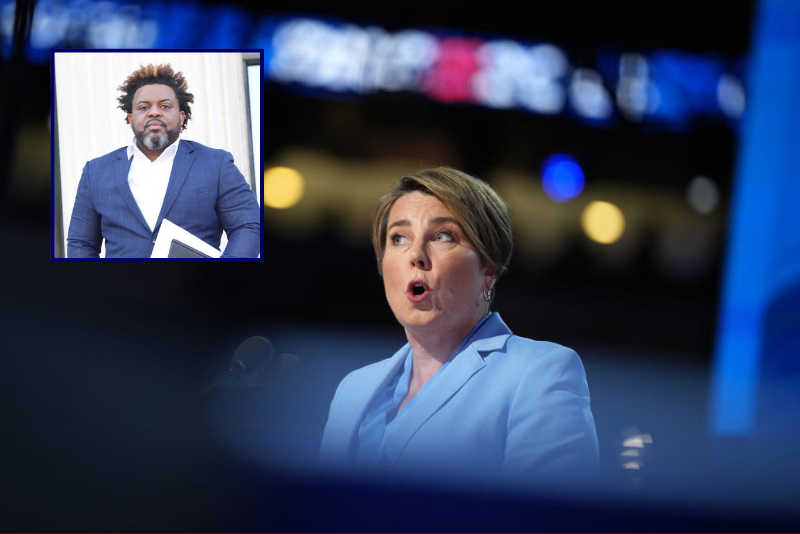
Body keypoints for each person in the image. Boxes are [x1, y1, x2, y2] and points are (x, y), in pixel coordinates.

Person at [320, 167, 599, 487]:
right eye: (399, 238)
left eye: (442, 236)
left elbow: (553, 517)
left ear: (489, 270)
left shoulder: (540, 372)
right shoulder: (353, 389)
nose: (416, 256)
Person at [67, 63, 260, 258]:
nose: (154, 112)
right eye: (143, 107)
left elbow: (248, 225)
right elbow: (81, 243)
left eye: (165, 106)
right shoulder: (96, 171)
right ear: (130, 118)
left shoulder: (216, 164)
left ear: (182, 116)